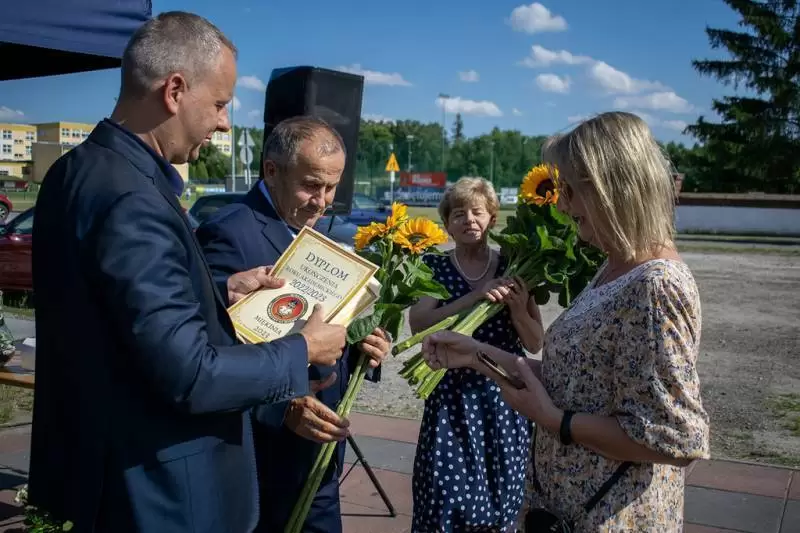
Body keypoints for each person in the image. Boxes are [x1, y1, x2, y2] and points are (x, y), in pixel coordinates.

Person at [28, 12, 346, 533]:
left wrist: (220, 289)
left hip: (100, 470)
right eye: (219, 104)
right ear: (174, 91)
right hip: (157, 490)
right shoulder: (132, 197)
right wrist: (302, 350)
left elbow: (114, 309)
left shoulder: (78, 169)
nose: (224, 123)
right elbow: (191, 374)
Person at [419, 112, 710, 532]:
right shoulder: (615, 267)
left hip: (614, 517)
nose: (561, 204)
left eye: (570, 190)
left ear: (612, 187)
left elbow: (676, 438)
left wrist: (557, 421)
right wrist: (475, 355)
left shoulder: (656, 285)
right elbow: (574, 378)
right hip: (569, 511)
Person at [196, 116, 391, 533]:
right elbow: (210, 350)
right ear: (271, 170)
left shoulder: (315, 229)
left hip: (318, 456)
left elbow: (319, 324)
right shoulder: (229, 232)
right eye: (311, 185)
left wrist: (364, 346)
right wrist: (280, 408)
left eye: (332, 187)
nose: (322, 202)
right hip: (266, 460)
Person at [408, 177, 544, 533]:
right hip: (450, 394)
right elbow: (418, 324)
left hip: (504, 395)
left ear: (492, 218)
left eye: (477, 212)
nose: (469, 219)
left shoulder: (514, 267)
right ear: (447, 224)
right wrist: (476, 296)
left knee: (503, 491)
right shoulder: (435, 265)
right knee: (444, 493)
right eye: (458, 214)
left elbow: (535, 342)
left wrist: (517, 308)